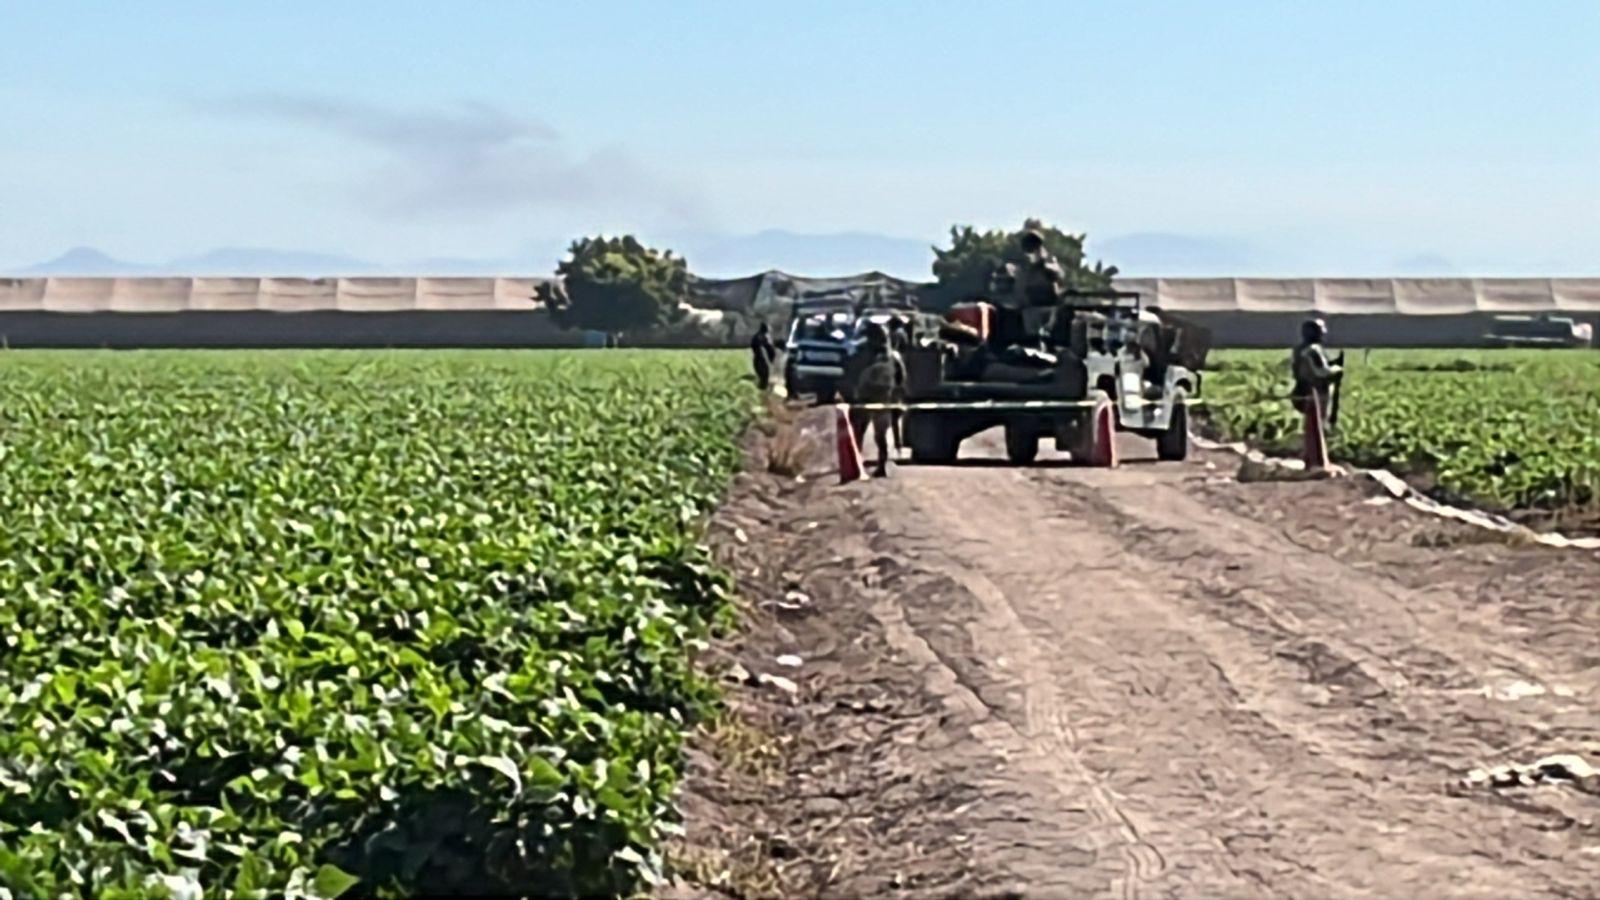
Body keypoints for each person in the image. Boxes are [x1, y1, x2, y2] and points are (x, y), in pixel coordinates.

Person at [843, 321, 907, 477]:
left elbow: (851, 373)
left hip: (873, 396)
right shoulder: (889, 356)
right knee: (872, 433)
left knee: (867, 433)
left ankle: (867, 465)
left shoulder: (866, 354)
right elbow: (901, 378)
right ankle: (869, 465)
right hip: (879, 396)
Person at [1290, 318, 1343, 426]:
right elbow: (1322, 372)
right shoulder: (1313, 350)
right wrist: (1337, 369)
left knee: (1311, 423)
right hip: (1316, 391)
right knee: (1318, 423)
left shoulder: (1298, 349)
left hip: (1302, 389)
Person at [750, 321, 777, 390]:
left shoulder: (757, 336)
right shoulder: (763, 337)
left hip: (757, 358)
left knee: (762, 374)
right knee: (764, 374)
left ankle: (761, 388)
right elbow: (769, 348)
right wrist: (772, 357)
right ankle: (762, 389)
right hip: (761, 358)